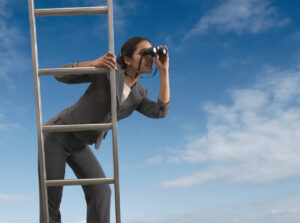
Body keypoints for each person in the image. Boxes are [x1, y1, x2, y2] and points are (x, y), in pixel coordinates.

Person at [40, 36, 170, 223]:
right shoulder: (108, 71)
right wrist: (94, 64)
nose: (150, 58)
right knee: (51, 199)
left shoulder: (139, 94)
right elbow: (59, 74)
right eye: (144, 53)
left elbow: (160, 111)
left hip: (79, 144)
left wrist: (164, 71)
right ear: (126, 59)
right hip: (58, 134)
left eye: (152, 53)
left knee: (101, 191)